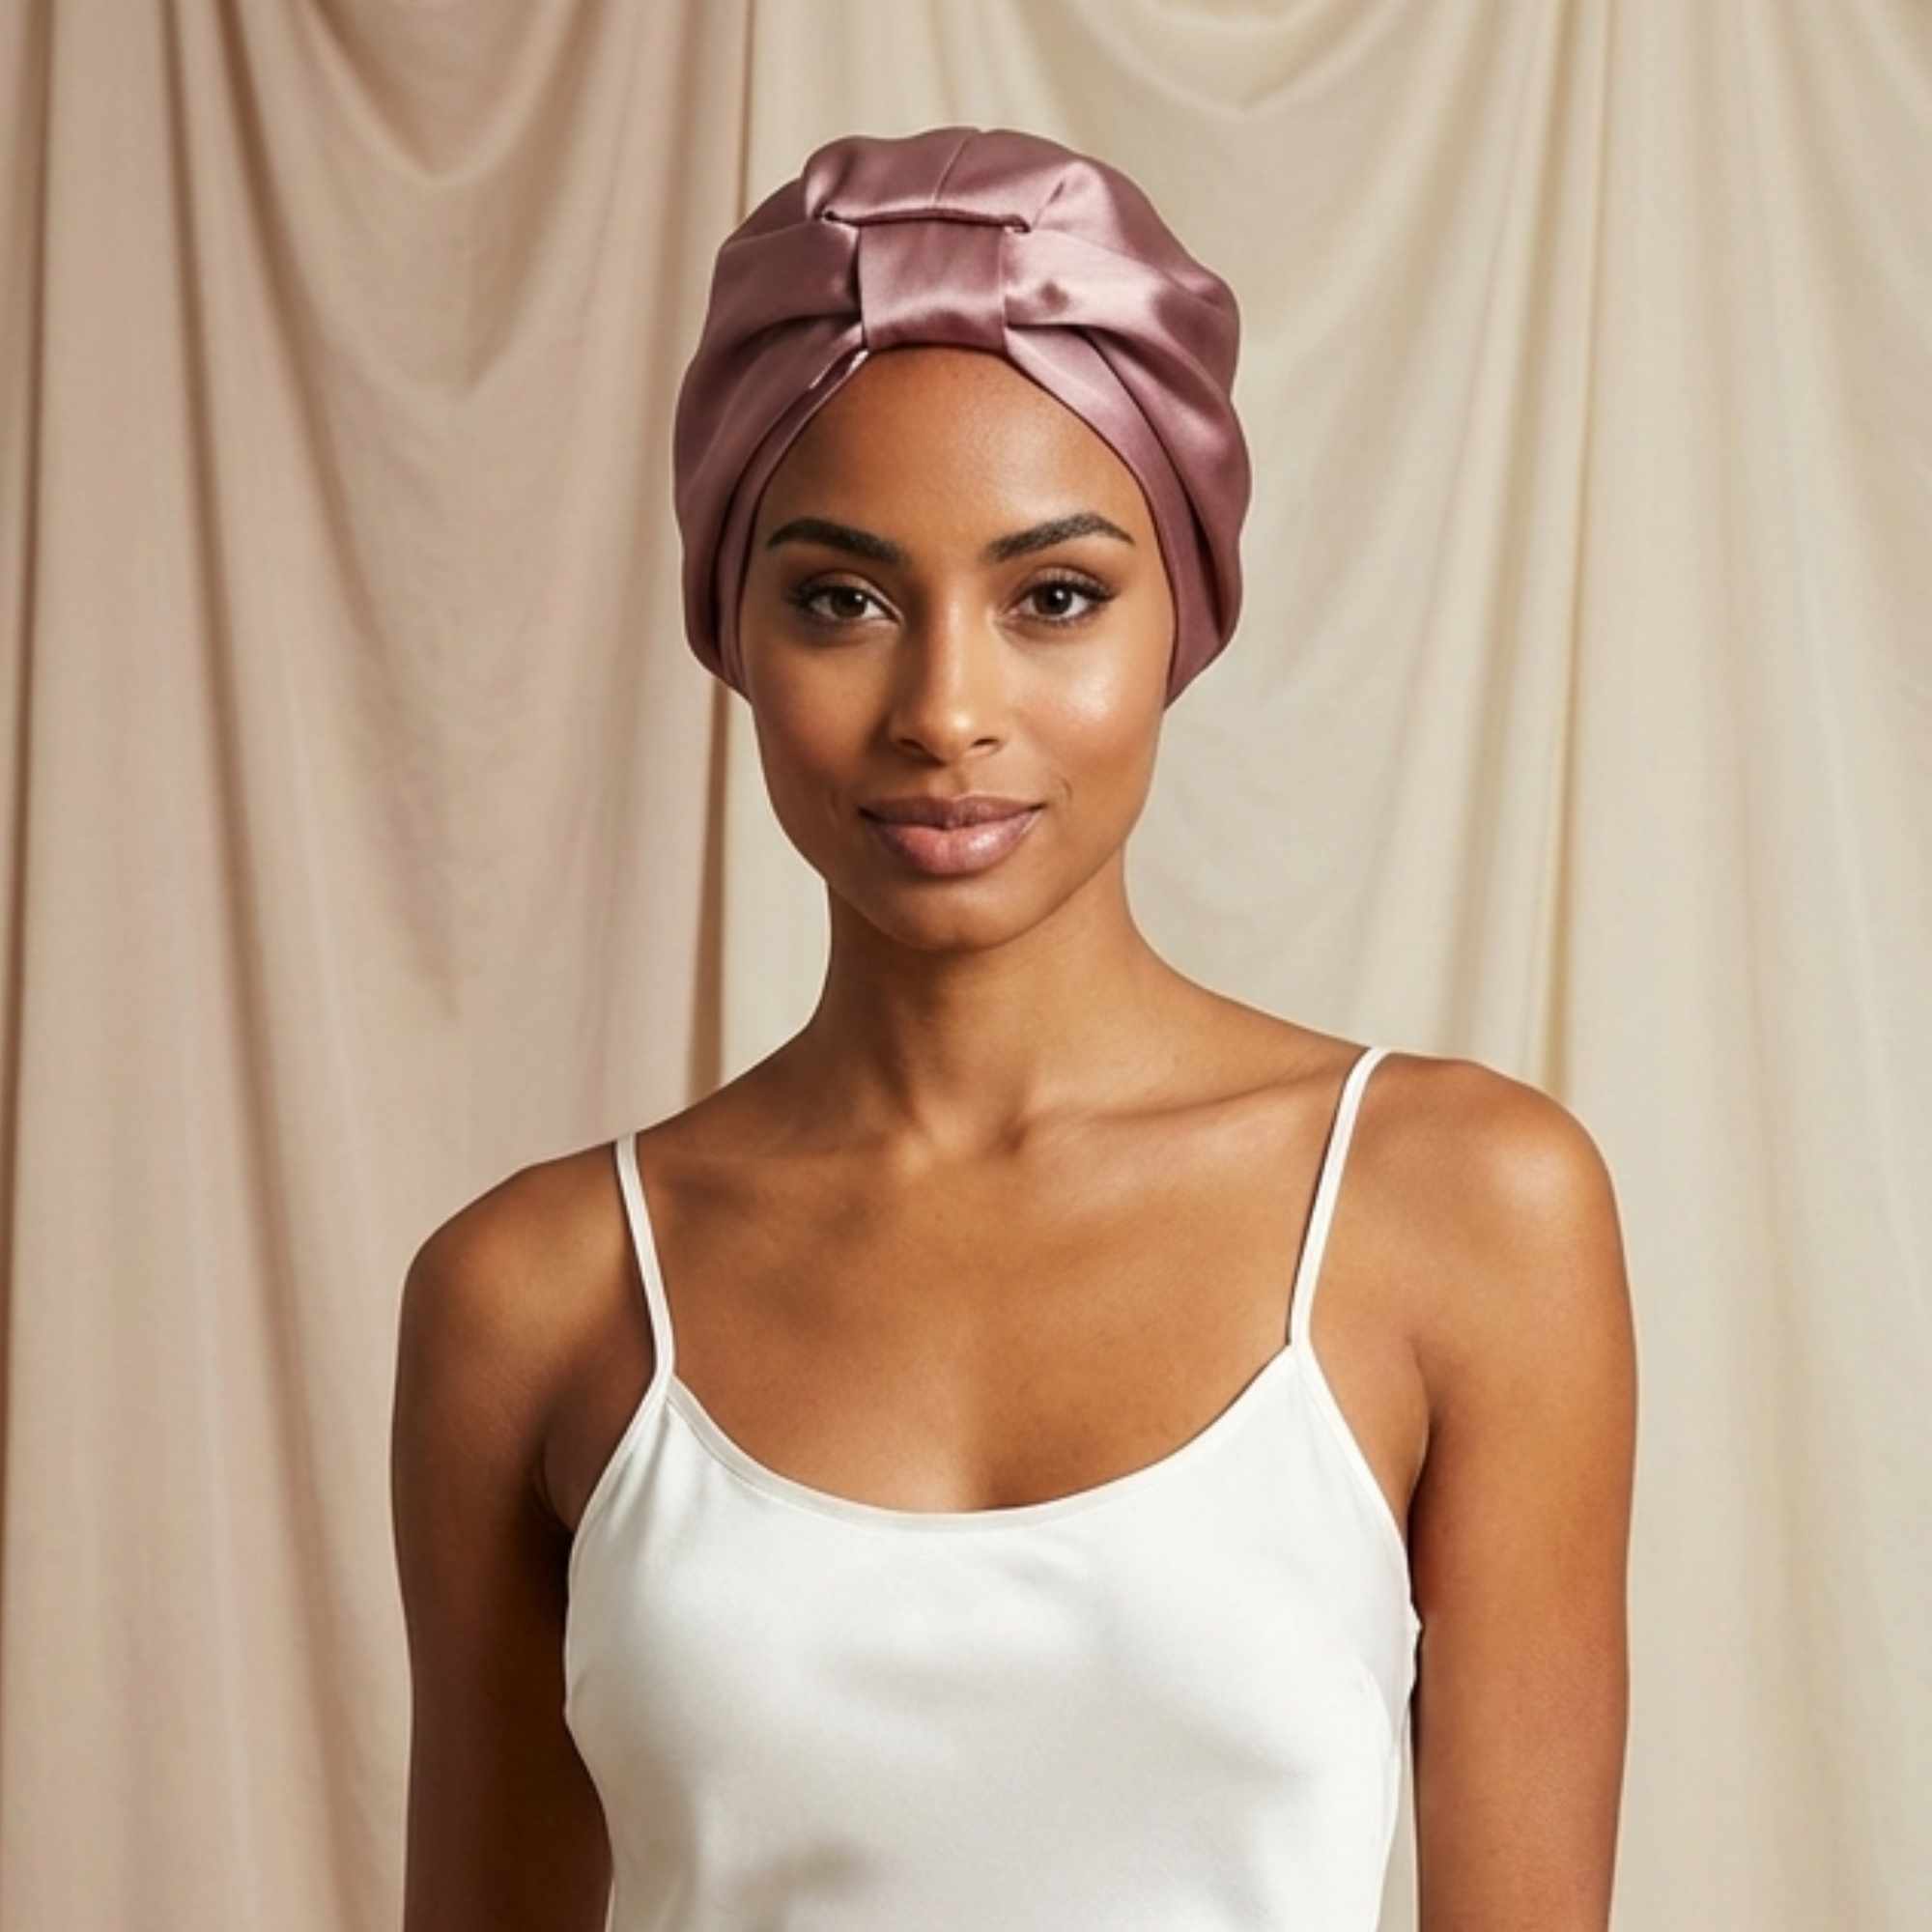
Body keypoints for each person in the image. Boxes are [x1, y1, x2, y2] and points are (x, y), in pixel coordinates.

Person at [391, 126, 1636, 1930]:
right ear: (732, 627)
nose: (945, 709)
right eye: (842, 600)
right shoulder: (531, 1296)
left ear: (1182, 615)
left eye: (1054, 597)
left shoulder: (1464, 1212)